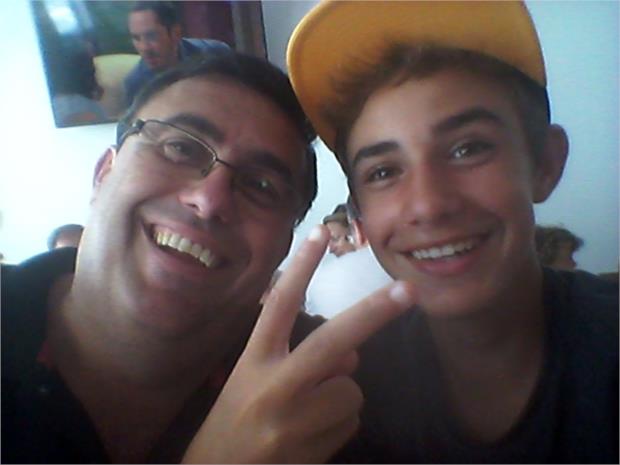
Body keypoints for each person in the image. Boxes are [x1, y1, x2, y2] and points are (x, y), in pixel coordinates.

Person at [2, 51, 417, 463]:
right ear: (103, 173)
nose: (209, 199)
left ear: (283, 245)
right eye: (180, 148)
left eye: (261, 185)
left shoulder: (331, 386)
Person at [287, 1, 619, 462]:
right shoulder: (346, 392)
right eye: (383, 172)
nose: (428, 205)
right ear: (359, 215)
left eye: (468, 149)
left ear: (545, 163)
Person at [124, 1, 230, 106]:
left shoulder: (215, 54)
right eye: (136, 38)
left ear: (176, 33)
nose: (144, 47)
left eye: (152, 36)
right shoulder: (136, 83)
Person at [306, 198, 392, 319]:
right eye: (328, 242)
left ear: (357, 231)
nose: (331, 249)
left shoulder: (326, 282)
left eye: (335, 239)